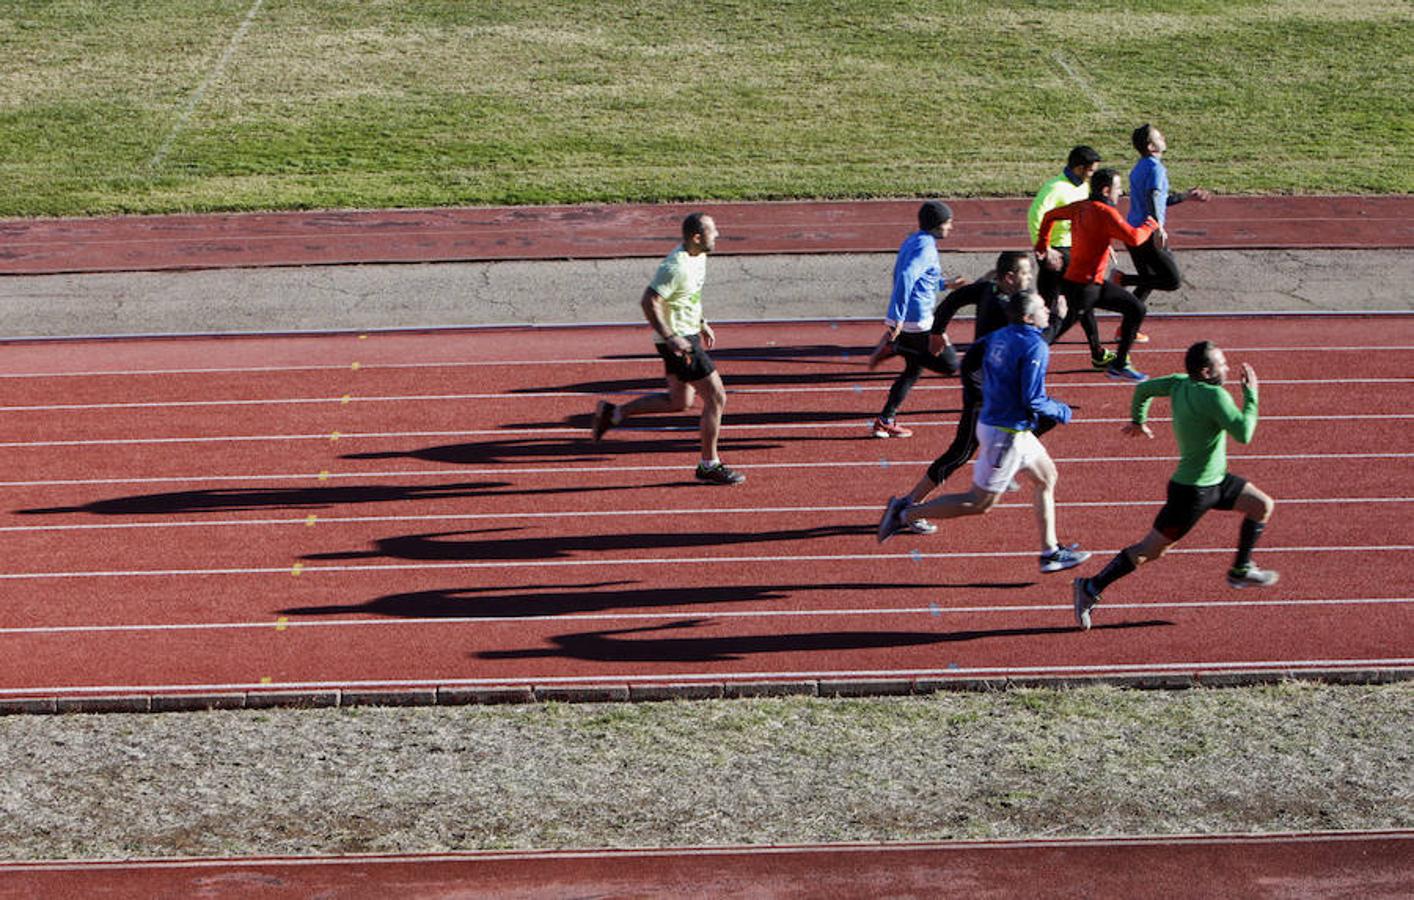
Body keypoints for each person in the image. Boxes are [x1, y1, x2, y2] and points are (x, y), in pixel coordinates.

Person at [877, 291, 1091, 576]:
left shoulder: (1001, 335)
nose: (1048, 312)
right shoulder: (1035, 347)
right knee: (978, 503)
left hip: (1009, 426)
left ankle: (1051, 552)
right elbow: (1033, 399)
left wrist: (980, 392)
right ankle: (905, 513)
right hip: (1006, 434)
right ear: (1028, 317)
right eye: (1043, 308)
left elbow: (973, 356)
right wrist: (1062, 411)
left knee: (1047, 477)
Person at [1072, 341, 1276, 631]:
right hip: (1192, 493)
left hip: (1217, 480)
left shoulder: (1180, 383)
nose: (1227, 368)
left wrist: (1138, 420)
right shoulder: (1215, 396)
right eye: (1222, 363)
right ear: (1207, 372)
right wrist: (1251, 394)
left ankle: (1240, 569)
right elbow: (1244, 433)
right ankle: (1090, 587)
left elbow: (1142, 389)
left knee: (1261, 506)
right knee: (1150, 550)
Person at [892, 251, 1065, 512]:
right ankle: (908, 504)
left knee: (1041, 419)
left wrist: (938, 332)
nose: (1030, 278)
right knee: (961, 451)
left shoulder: (989, 288)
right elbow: (1035, 342)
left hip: (992, 382)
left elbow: (955, 299)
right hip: (984, 388)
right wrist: (1059, 319)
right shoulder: (1005, 308)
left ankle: (1006, 461)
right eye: (1026, 273)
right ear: (1009, 277)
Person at [590, 212, 744, 485]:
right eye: (713, 230)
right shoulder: (675, 267)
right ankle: (709, 464)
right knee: (717, 396)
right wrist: (671, 336)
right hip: (679, 343)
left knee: (679, 402)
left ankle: (613, 414)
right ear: (697, 237)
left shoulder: (700, 257)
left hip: (686, 335)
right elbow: (649, 301)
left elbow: (688, 297)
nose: (718, 234)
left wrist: (701, 321)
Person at [1035, 168, 1158, 383]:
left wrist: (1042, 243)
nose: (1121, 193)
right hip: (1084, 286)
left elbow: (1049, 216)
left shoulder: (1080, 207)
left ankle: (1118, 364)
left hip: (1092, 283)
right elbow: (1134, 238)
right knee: (1056, 329)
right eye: (1118, 189)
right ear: (1106, 190)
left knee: (1136, 308)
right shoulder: (1105, 212)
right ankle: (1020, 358)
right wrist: (1150, 225)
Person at [866, 200, 966, 439]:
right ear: (937, 224)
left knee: (913, 371)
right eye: (948, 222)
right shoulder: (926, 248)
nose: (951, 227)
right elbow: (906, 275)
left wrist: (945, 284)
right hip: (918, 321)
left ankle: (885, 420)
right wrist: (896, 316)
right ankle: (897, 346)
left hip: (913, 318)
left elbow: (921, 278)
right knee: (950, 364)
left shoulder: (914, 239)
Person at [1116, 124, 1212, 322]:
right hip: (1148, 234)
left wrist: (1186, 196)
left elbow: (1160, 199)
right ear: (1151, 147)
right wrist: (1158, 228)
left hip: (1133, 231)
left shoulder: (1140, 167)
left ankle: (1127, 328)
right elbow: (1152, 197)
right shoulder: (1155, 169)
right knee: (1172, 280)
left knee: (1148, 281)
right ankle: (1122, 279)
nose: (1164, 138)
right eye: (1159, 137)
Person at [1027, 145, 1102, 310]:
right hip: (1056, 250)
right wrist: (1044, 248)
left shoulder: (1084, 186)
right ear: (1079, 168)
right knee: (1055, 300)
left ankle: (1088, 335)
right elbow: (1035, 216)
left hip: (1074, 248)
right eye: (1091, 171)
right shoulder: (1055, 188)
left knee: (1076, 299)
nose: (1092, 175)